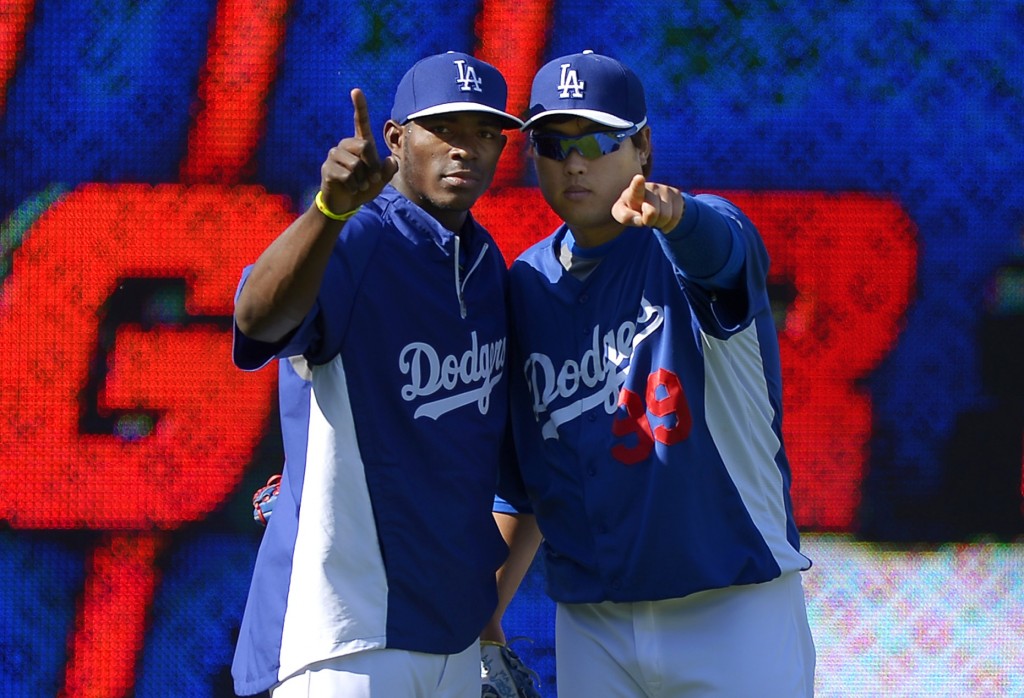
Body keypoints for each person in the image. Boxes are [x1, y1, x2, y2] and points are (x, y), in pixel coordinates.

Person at [497, 50, 817, 696]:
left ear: (642, 147)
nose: (575, 161)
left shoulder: (692, 239)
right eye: (553, 143)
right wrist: (482, 619)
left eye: (595, 138)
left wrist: (676, 216)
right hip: (594, 626)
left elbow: (720, 251)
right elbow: (522, 485)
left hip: (732, 607)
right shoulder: (525, 285)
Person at [230, 51, 524, 697]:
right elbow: (257, 320)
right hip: (341, 634)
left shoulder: (484, 264)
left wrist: (486, 623)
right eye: (444, 128)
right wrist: (328, 212)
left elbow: (496, 471)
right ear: (395, 138)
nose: (465, 149)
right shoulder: (355, 239)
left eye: (484, 133)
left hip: (451, 635)